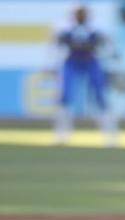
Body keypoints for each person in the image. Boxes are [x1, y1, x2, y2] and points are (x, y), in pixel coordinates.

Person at [51, 4, 119, 146]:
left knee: (100, 96)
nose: (81, 16)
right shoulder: (64, 27)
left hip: (90, 61)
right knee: (65, 96)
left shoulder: (96, 27)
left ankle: (110, 136)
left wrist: (109, 63)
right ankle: (61, 134)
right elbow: (56, 46)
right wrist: (54, 64)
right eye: (78, 13)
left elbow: (107, 45)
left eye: (83, 13)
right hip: (72, 62)